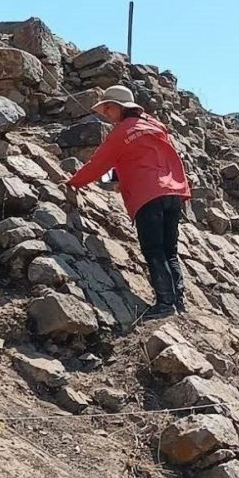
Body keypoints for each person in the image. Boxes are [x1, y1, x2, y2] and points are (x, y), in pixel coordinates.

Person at [65, 85, 192, 321]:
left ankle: (165, 304)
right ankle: (179, 302)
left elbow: (98, 165)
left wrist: (74, 182)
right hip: (174, 191)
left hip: (148, 195)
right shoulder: (154, 125)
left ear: (115, 107)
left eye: (106, 109)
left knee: (154, 249)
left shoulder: (121, 133)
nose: (105, 114)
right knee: (169, 251)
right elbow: (139, 160)